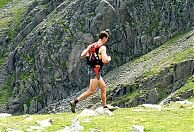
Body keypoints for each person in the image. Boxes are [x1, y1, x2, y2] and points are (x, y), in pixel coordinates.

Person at [70, 31, 111, 113]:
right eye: (107, 39)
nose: (107, 40)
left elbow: (83, 55)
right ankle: (74, 102)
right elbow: (104, 60)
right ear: (104, 38)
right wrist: (109, 58)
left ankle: (104, 106)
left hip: (91, 69)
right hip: (96, 71)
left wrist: (90, 53)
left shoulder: (91, 45)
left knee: (103, 87)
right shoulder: (102, 47)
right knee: (91, 91)